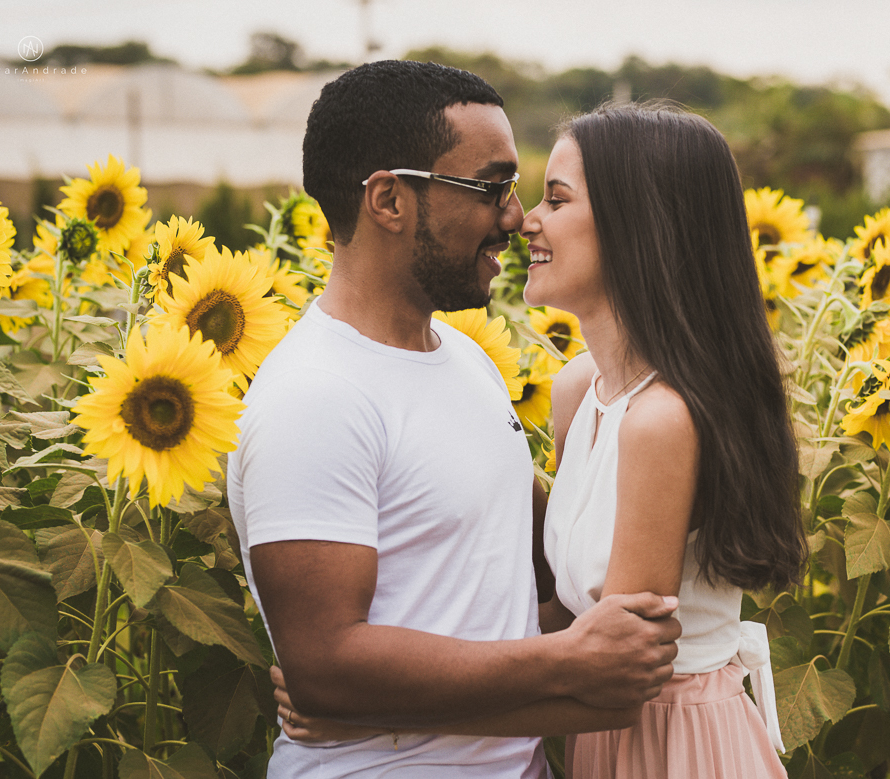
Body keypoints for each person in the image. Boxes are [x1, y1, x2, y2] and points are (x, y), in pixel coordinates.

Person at [275, 102, 808, 777]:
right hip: (599, 742)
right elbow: (563, 614)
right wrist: (361, 678)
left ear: (636, 225)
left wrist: (367, 713)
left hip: (676, 743)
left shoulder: (660, 421)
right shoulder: (579, 389)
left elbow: (616, 675)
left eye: (556, 199)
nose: (524, 219)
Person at [227, 62, 682, 779]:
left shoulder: (465, 362)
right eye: (490, 186)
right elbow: (327, 664)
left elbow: (537, 572)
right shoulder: (315, 396)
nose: (514, 215)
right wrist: (566, 662)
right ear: (388, 199)